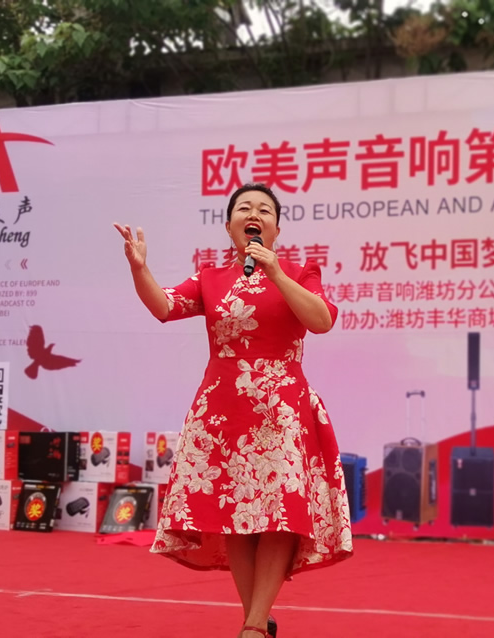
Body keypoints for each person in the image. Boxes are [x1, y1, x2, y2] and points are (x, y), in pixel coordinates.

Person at [114, 183, 353, 638]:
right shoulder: (210, 278)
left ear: (276, 229)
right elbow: (164, 306)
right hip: (223, 411)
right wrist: (140, 269)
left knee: (281, 516)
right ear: (229, 227)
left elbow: (321, 320)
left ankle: (254, 627)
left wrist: (275, 273)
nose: (254, 214)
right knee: (236, 517)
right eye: (244, 208)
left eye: (265, 210)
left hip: (281, 410)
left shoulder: (300, 272)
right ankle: (256, 619)